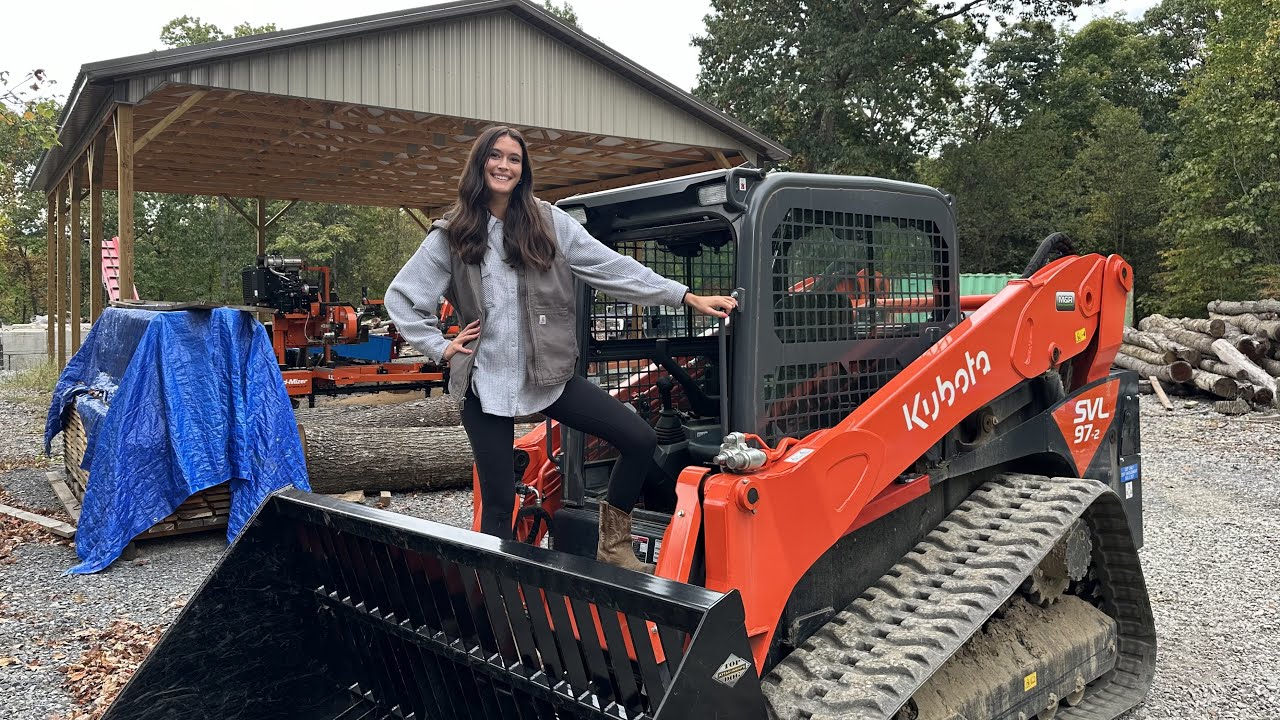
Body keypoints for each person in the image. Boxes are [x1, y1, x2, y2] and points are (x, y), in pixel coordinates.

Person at [385, 126, 736, 573]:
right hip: (485, 383)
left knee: (639, 438)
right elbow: (403, 296)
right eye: (495, 156)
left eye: (514, 159)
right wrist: (441, 346)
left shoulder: (548, 222)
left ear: (522, 170)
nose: (504, 165)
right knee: (497, 506)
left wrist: (684, 296)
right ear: (479, 164)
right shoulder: (453, 233)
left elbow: (612, 267)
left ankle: (614, 545)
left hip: (547, 374)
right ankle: (501, 604)